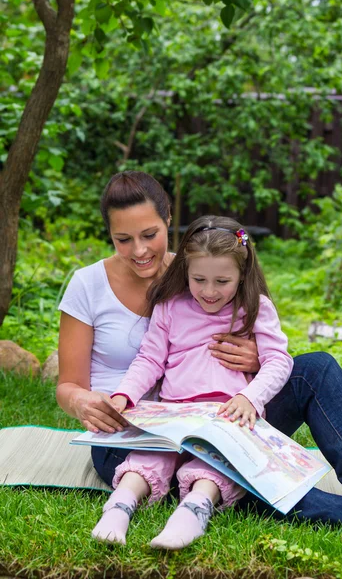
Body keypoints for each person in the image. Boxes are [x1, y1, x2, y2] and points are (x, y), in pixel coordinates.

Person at [56, 170, 342, 545]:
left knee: (314, 369)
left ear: (169, 219)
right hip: (134, 430)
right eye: (123, 239)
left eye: (149, 235)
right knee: (243, 473)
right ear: (108, 233)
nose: (139, 250)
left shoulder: (205, 262)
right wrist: (88, 402)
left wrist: (255, 363)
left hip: (225, 414)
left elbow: (272, 351)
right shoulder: (93, 285)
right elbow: (74, 384)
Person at [91, 215, 294, 548]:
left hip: (228, 413)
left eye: (222, 281)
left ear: (242, 274)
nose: (209, 291)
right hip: (173, 410)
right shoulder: (171, 306)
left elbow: (278, 360)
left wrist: (250, 397)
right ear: (184, 271)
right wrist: (125, 394)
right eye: (199, 279)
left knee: (214, 462)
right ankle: (119, 507)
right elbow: (150, 359)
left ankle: (192, 513)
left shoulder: (255, 307)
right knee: (148, 457)